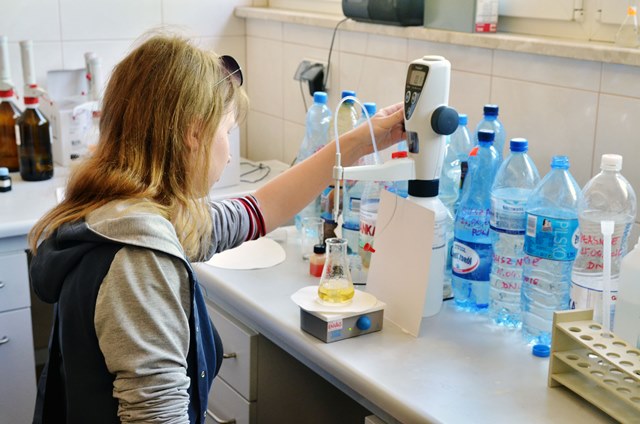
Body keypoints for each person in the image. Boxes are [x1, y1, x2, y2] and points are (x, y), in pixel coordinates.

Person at [28, 33, 407, 423]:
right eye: (226, 131)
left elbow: (259, 209)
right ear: (194, 134)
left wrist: (360, 142)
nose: (227, 152)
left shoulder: (115, 211)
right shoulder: (139, 260)